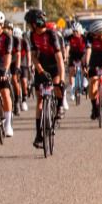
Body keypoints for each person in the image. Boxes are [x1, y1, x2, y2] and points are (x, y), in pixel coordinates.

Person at [28, 10, 66, 149]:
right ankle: (39, 134)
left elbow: (60, 59)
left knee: (56, 86)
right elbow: (33, 57)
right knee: (40, 98)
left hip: (54, 64)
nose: (28, 27)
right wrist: (41, 71)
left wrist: (61, 79)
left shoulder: (52, 35)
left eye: (29, 24)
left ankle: (60, 105)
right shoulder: (32, 35)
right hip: (42, 65)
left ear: (34, 24)